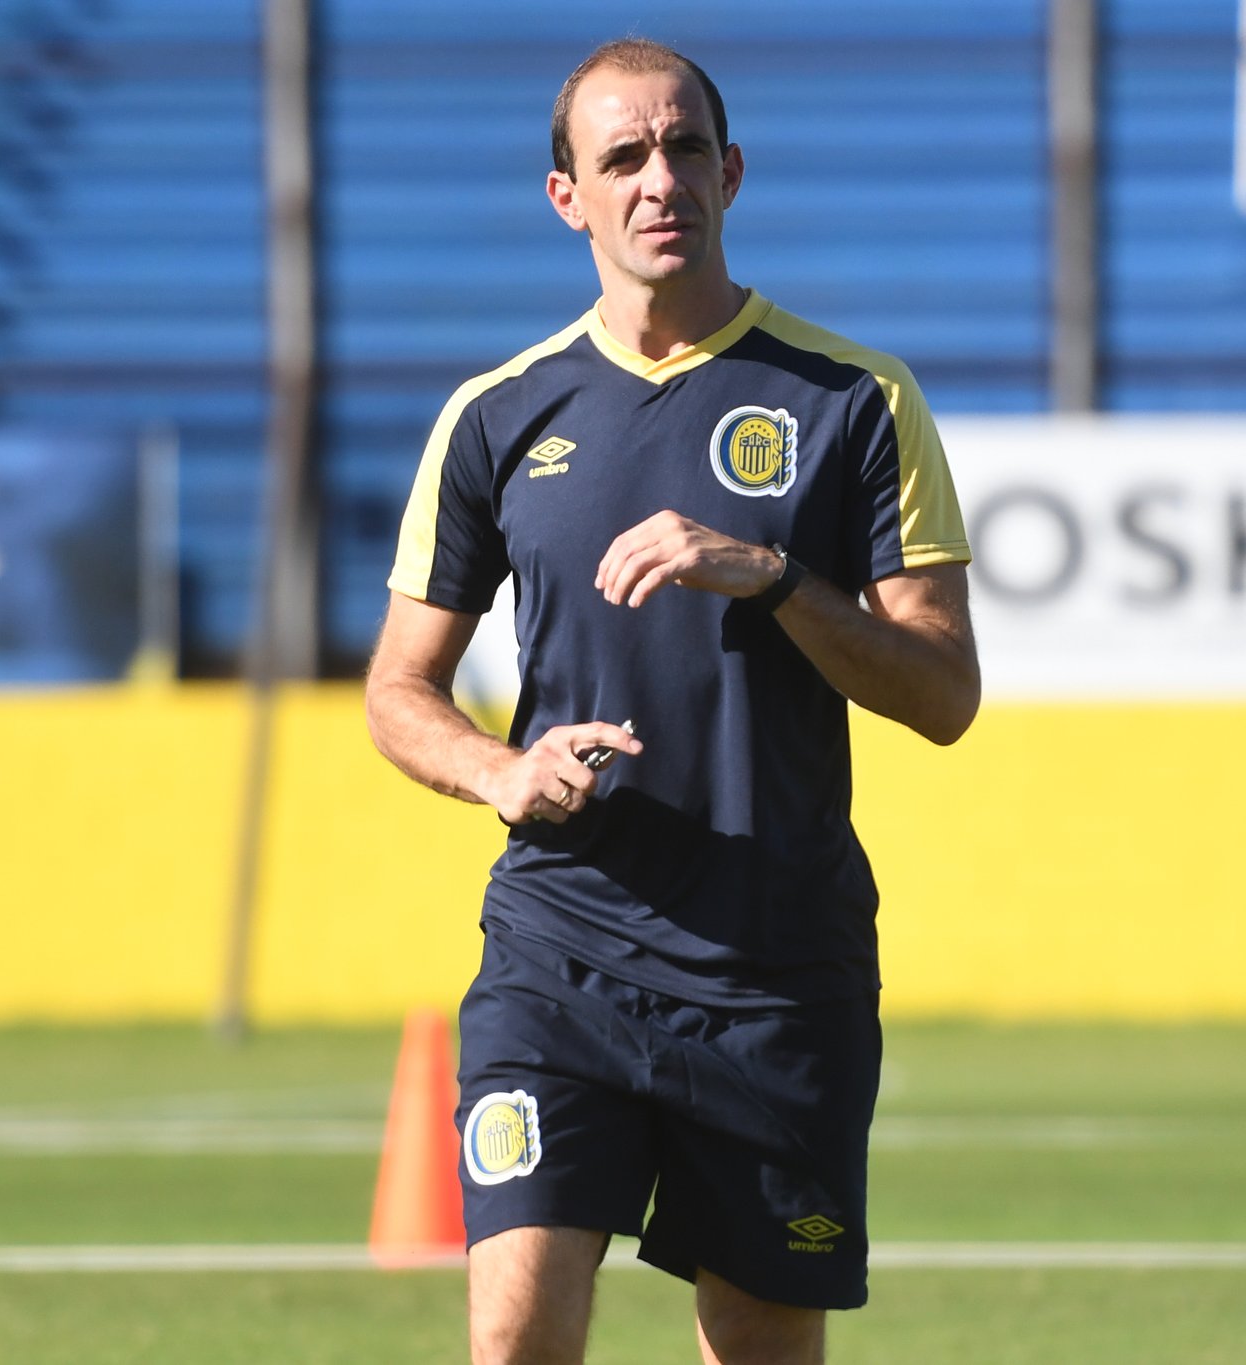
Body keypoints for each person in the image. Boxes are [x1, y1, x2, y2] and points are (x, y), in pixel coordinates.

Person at [364, 36, 978, 1365]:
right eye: (625, 157)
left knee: (758, 1348)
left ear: (731, 172)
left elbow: (942, 692)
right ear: (567, 197)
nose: (660, 180)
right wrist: (501, 772)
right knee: (516, 1336)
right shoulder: (496, 416)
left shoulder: (858, 399)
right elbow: (398, 689)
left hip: (778, 969)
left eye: (685, 148)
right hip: (560, 953)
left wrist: (774, 578)